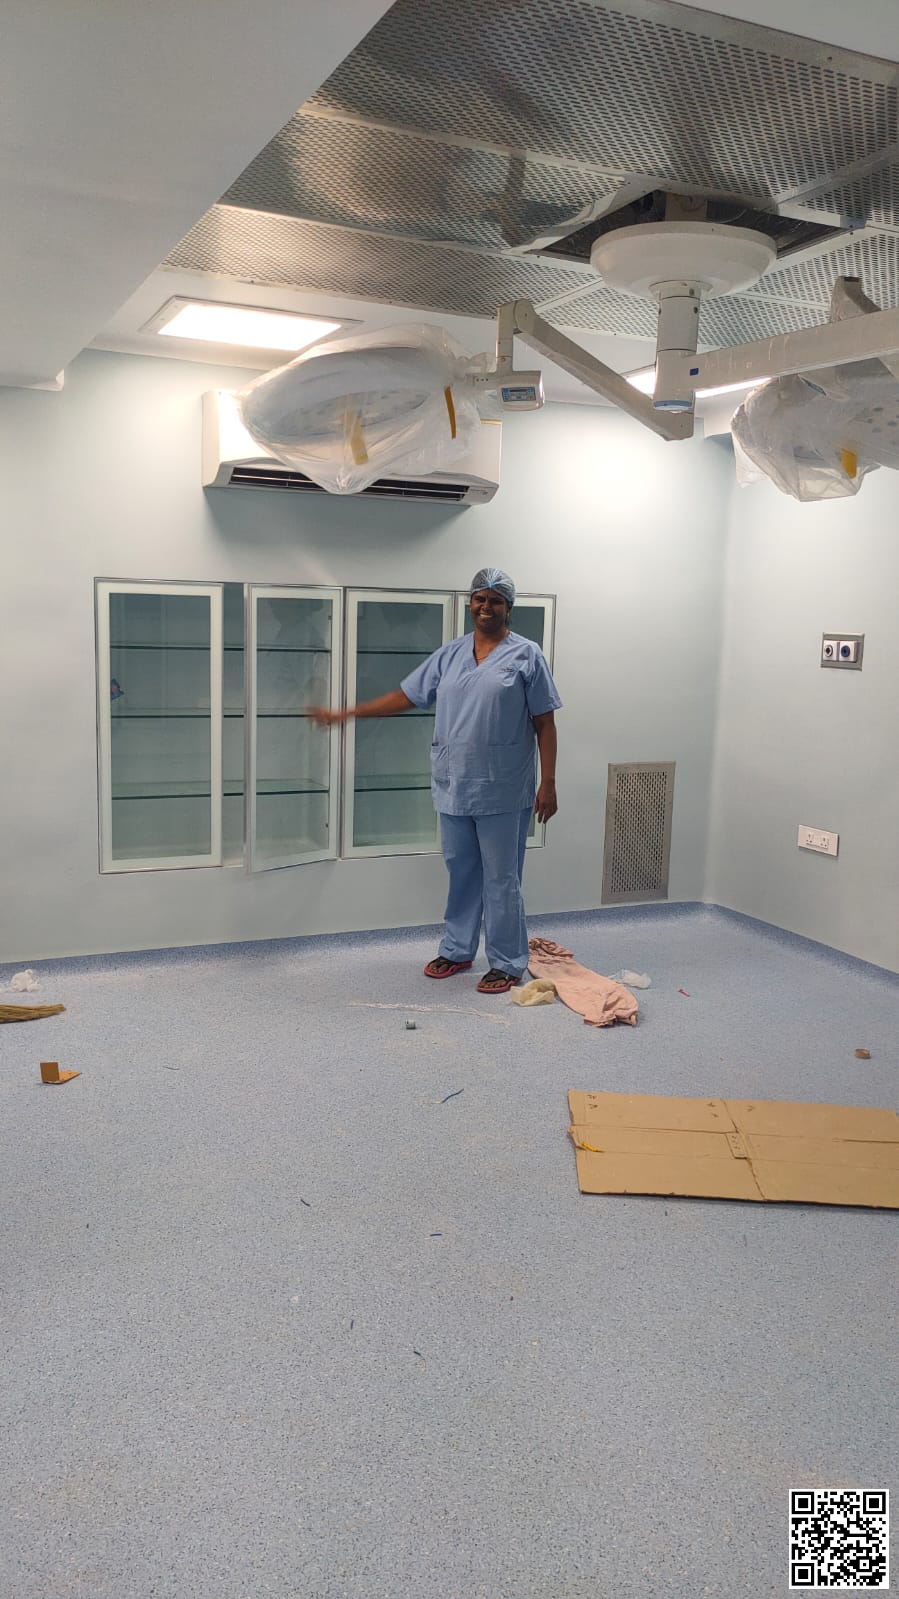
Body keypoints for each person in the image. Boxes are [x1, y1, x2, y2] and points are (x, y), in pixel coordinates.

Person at [310, 568, 561, 994]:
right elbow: (406, 696)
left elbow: (545, 723)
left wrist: (548, 782)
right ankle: (458, 949)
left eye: (495, 600)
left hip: (503, 788)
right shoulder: (450, 655)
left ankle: (507, 961)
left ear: (508, 608)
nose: (486, 607)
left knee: (502, 879)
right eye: (479, 599)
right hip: (454, 784)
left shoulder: (526, 655)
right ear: (470, 603)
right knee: (461, 871)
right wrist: (349, 713)